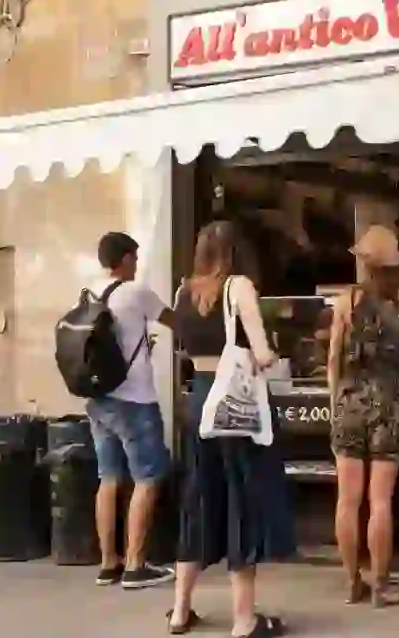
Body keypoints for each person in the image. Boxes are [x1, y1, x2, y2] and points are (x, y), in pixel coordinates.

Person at [169, 221, 296, 638]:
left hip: (199, 401)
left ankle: (180, 611)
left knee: (199, 500)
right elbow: (261, 353)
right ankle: (244, 619)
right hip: (234, 409)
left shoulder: (183, 292)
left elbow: (183, 349)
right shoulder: (238, 286)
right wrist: (273, 353)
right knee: (242, 501)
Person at [328, 224, 399, 607]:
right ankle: (382, 585)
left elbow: (333, 359)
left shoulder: (344, 302)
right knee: (380, 501)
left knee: (347, 500)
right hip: (391, 406)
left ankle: (352, 582)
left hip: (349, 403)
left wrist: (336, 400)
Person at [86, 231, 176, 590]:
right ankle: (136, 566)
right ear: (124, 259)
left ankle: (109, 563)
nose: (137, 265)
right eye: (134, 259)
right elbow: (176, 321)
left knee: (108, 478)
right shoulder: (136, 292)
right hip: (135, 401)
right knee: (148, 478)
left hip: (99, 399)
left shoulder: (90, 292)